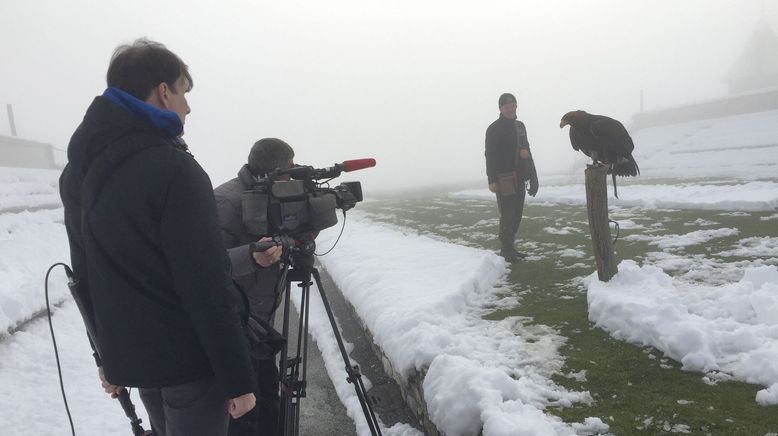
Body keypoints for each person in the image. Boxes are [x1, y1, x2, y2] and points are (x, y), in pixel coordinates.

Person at [59, 39, 257, 436]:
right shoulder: (174, 170)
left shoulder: (80, 170)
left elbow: (86, 273)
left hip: (138, 362)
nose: (188, 106)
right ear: (164, 93)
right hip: (190, 363)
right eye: (183, 91)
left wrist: (107, 356)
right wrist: (238, 378)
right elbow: (204, 281)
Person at [213, 138, 294, 436]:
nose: (293, 174)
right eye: (290, 167)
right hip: (235, 326)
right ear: (276, 170)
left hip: (260, 327)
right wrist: (251, 257)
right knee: (245, 417)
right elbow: (205, 267)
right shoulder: (225, 201)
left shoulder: (273, 193)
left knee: (268, 407)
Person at [484, 92, 539, 262]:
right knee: (507, 215)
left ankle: (510, 248)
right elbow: (489, 155)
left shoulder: (520, 126)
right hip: (504, 178)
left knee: (517, 215)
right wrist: (491, 179)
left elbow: (527, 151)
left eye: (513, 105)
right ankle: (506, 250)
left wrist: (534, 177)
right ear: (500, 108)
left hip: (520, 177)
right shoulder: (494, 128)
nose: (511, 109)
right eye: (507, 107)